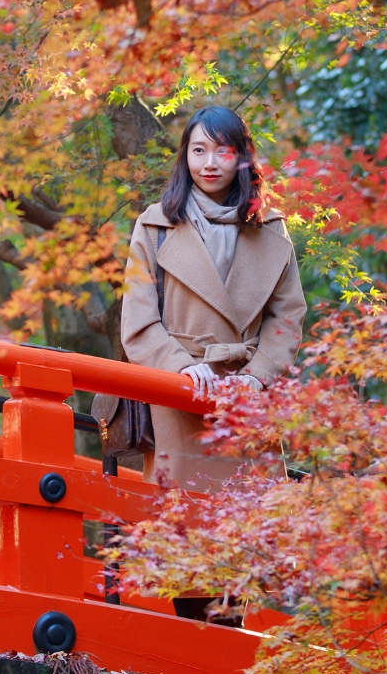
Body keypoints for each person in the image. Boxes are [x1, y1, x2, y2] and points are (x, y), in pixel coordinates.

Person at [119, 105, 305, 487]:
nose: (209, 163)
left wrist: (257, 376)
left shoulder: (270, 228)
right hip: (181, 391)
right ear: (185, 154)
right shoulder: (155, 226)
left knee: (255, 522)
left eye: (223, 151)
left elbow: (287, 317)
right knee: (183, 522)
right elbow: (138, 320)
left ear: (241, 158)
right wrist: (181, 366)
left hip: (246, 396)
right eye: (199, 150)